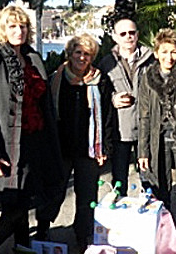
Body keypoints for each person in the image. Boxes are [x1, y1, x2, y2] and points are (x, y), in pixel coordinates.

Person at [0, 6, 64, 250]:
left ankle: (22, 248)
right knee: (14, 208)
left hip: (34, 145)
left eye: (22, 26)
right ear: (2, 29)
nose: (19, 30)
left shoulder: (32, 58)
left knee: (22, 204)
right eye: (12, 26)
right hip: (6, 147)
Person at [50, 33, 113, 252]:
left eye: (87, 54)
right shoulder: (57, 78)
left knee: (86, 196)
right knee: (54, 191)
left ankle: (82, 236)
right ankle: (43, 229)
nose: (82, 58)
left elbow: (106, 116)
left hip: (89, 148)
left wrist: (103, 146)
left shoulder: (100, 80)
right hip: (62, 147)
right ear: (70, 53)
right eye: (78, 52)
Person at [138, 28, 176, 224]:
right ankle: (164, 229)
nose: (169, 57)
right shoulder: (148, 77)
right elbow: (144, 116)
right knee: (160, 187)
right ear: (156, 53)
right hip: (159, 138)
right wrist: (143, 151)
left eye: (173, 51)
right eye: (164, 52)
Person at [98, 18, 154, 196]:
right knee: (119, 180)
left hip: (146, 129)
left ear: (137, 35)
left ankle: (152, 217)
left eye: (132, 32)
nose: (128, 37)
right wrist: (113, 99)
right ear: (115, 37)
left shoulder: (151, 59)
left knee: (149, 178)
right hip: (120, 130)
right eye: (123, 33)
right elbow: (100, 95)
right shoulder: (107, 63)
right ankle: (120, 217)